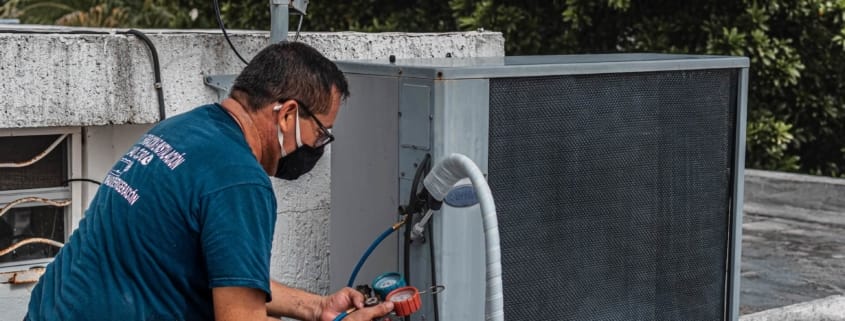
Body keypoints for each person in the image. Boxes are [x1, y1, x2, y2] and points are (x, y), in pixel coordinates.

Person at [26, 42, 394, 321]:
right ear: (288, 114)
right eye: (321, 133)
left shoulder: (180, 130)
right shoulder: (239, 181)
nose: (318, 147)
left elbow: (230, 280)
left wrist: (319, 309)